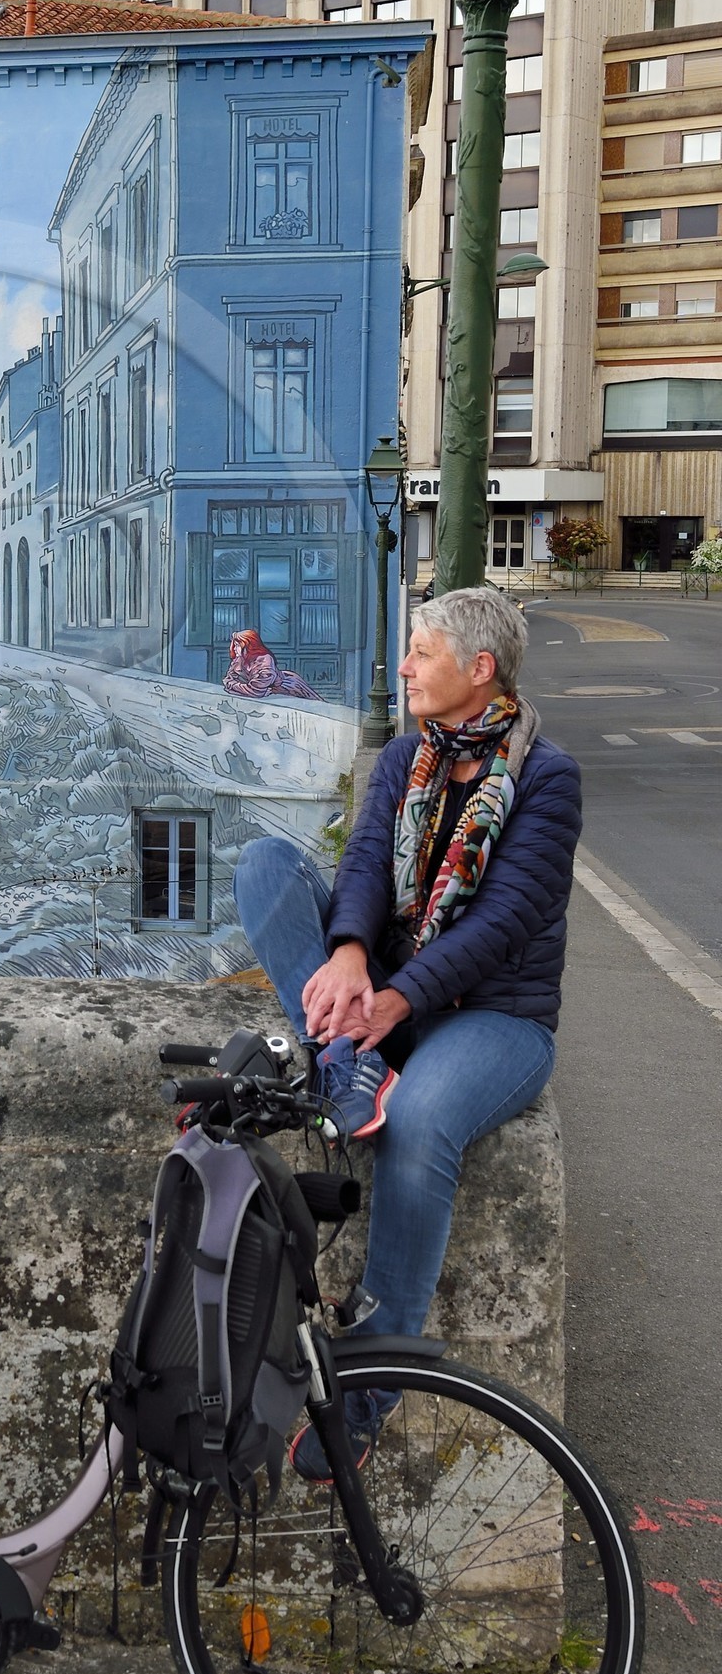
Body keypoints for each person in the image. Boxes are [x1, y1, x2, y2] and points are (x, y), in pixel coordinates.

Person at [231, 587, 581, 1476]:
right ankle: (346, 1064)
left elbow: (501, 923)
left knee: (420, 1126)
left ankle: (370, 1390)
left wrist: (395, 1001)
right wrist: (349, 953)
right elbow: (360, 869)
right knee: (268, 864)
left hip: (492, 1019)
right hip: (384, 996)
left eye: (421, 653)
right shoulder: (403, 758)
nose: (405, 668)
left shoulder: (545, 778)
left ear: (480, 669)